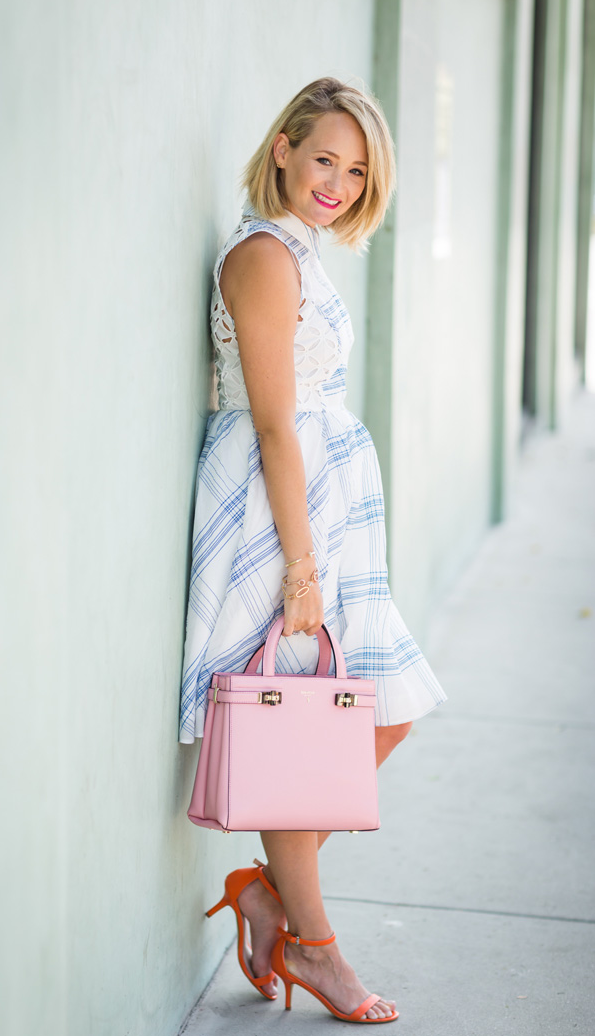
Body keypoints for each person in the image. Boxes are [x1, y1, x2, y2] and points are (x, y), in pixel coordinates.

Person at [179, 76, 447, 1024]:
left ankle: (267, 890)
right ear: (284, 147)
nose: (336, 181)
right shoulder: (262, 256)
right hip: (277, 510)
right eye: (324, 157)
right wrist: (300, 566)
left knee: (381, 711)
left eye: (357, 168)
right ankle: (320, 949)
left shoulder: (303, 252)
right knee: (312, 724)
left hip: (324, 509)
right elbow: (274, 425)